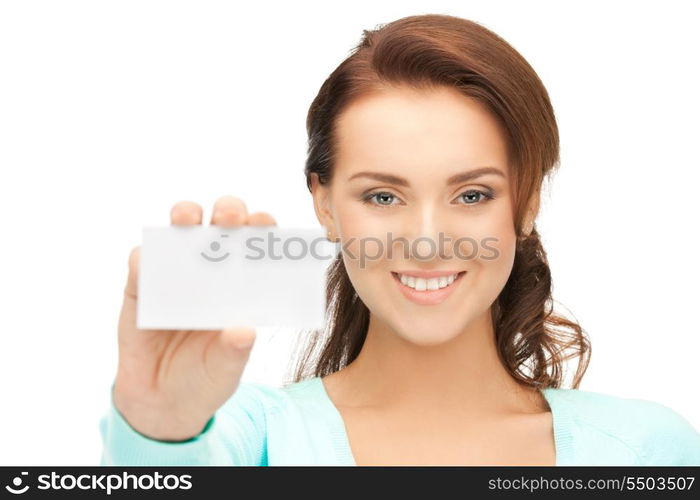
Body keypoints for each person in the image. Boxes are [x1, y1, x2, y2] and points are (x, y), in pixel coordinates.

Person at [100, 13, 700, 466]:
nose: (426, 240)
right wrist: (155, 435)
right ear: (325, 204)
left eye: (472, 195)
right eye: (383, 197)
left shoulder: (644, 450)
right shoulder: (244, 435)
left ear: (527, 202)